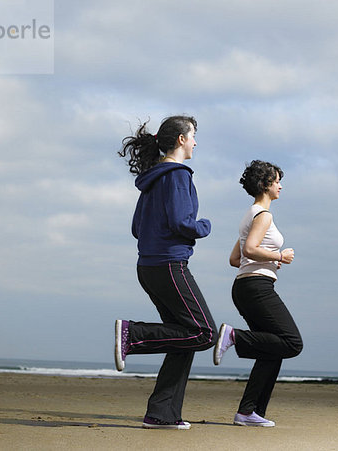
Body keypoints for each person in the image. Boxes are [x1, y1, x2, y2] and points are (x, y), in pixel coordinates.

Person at [115, 115, 218, 430]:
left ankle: (162, 413)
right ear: (181, 139)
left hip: (148, 266)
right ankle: (134, 334)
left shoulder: (153, 177)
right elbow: (181, 222)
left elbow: (136, 228)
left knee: (182, 336)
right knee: (204, 332)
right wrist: (204, 226)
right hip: (168, 265)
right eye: (193, 136)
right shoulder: (177, 175)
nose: (196, 142)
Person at [214, 160, 303, 427]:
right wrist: (279, 256)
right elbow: (250, 250)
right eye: (276, 181)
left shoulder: (249, 215)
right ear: (265, 184)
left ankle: (248, 412)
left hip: (245, 286)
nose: (280, 186)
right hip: (257, 288)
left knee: (271, 350)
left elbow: (235, 258)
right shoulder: (264, 215)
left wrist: (267, 260)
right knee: (292, 342)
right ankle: (234, 336)